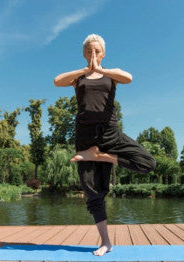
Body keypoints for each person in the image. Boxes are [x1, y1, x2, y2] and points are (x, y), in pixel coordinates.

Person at [54, 34, 156, 256]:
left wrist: (100, 69)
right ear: (84, 53)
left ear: (103, 53)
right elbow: (57, 80)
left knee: (147, 162)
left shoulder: (112, 76)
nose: (93, 54)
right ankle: (106, 242)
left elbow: (128, 77)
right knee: (93, 192)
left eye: (97, 51)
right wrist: (85, 69)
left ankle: (98, 156)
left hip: (111, 134)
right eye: (90, 51)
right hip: (85, 136)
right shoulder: (77, 78)